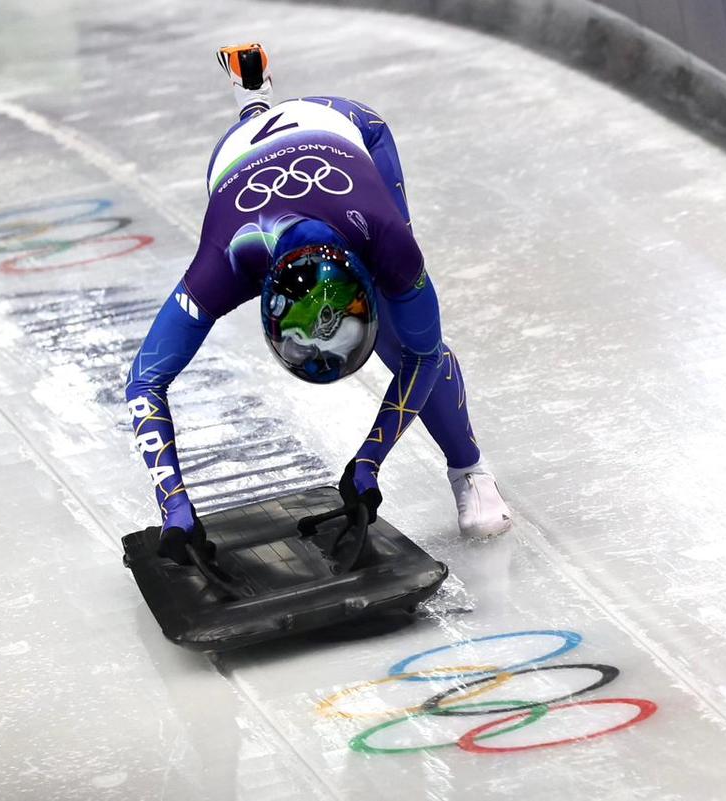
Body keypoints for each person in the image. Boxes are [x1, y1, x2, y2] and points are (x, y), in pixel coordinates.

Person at [126, 43, 512, 564]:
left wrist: (369, 461)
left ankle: (470, 469)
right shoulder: (227, 260)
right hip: (237, 156)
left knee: (402, 340)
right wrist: (174, 508)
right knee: (407, 336)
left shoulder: (385, 239)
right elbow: (144, 380)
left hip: (353, 132)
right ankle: (255, 102)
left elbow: (425, 354)